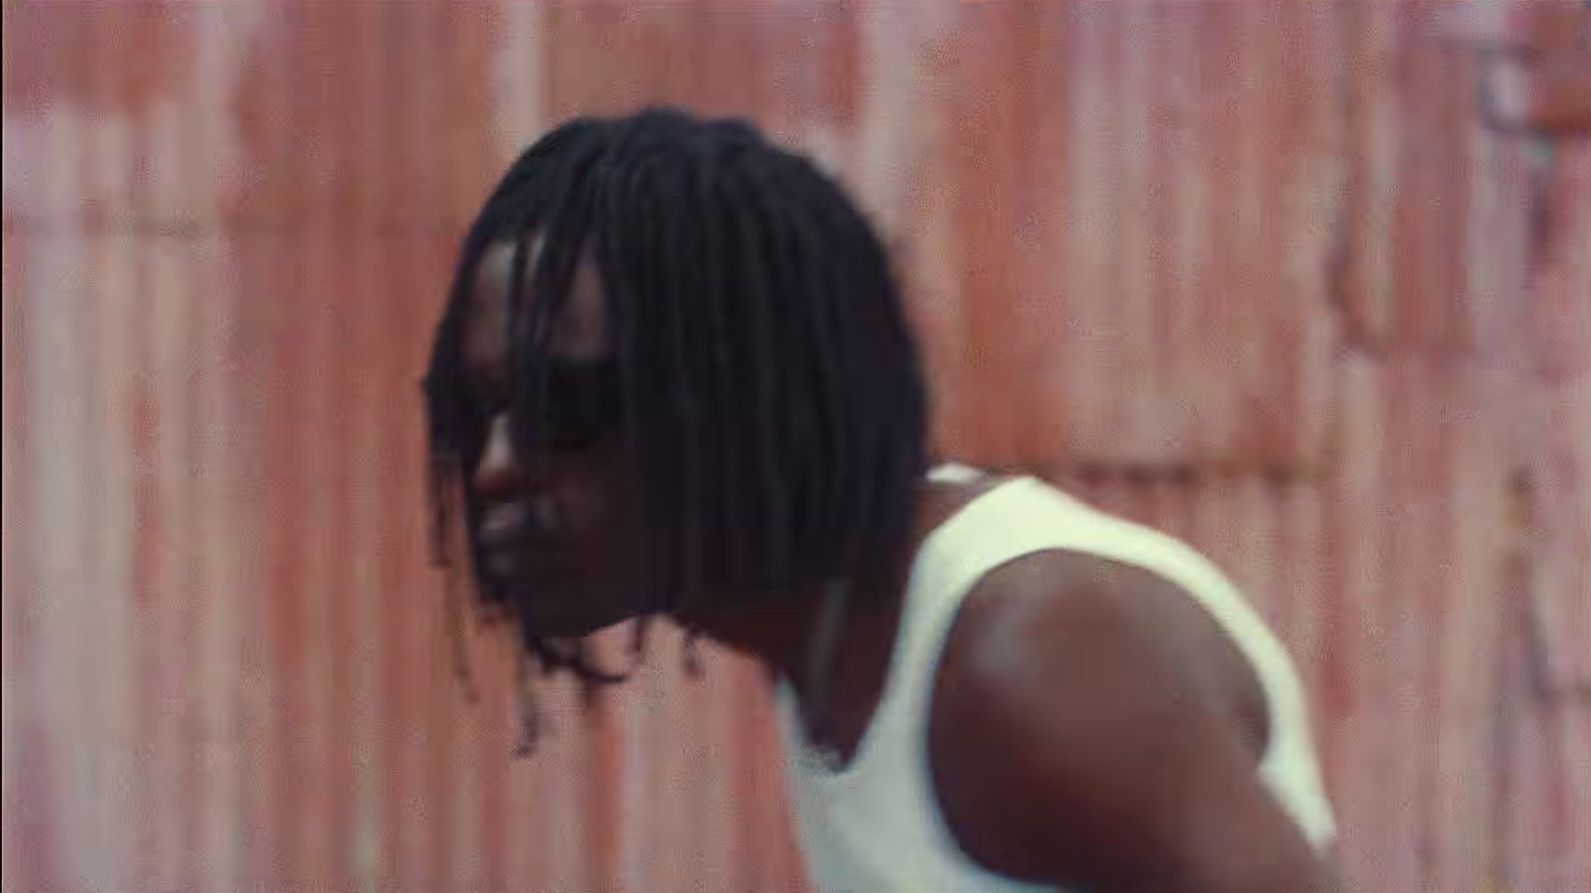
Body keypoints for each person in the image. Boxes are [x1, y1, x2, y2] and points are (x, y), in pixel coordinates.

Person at [422, 107, 1340, 892]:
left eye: (566, 405)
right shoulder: (822, 631)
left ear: (746, 393)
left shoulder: (1028, 657)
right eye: (476, 414)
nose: (499, 466)